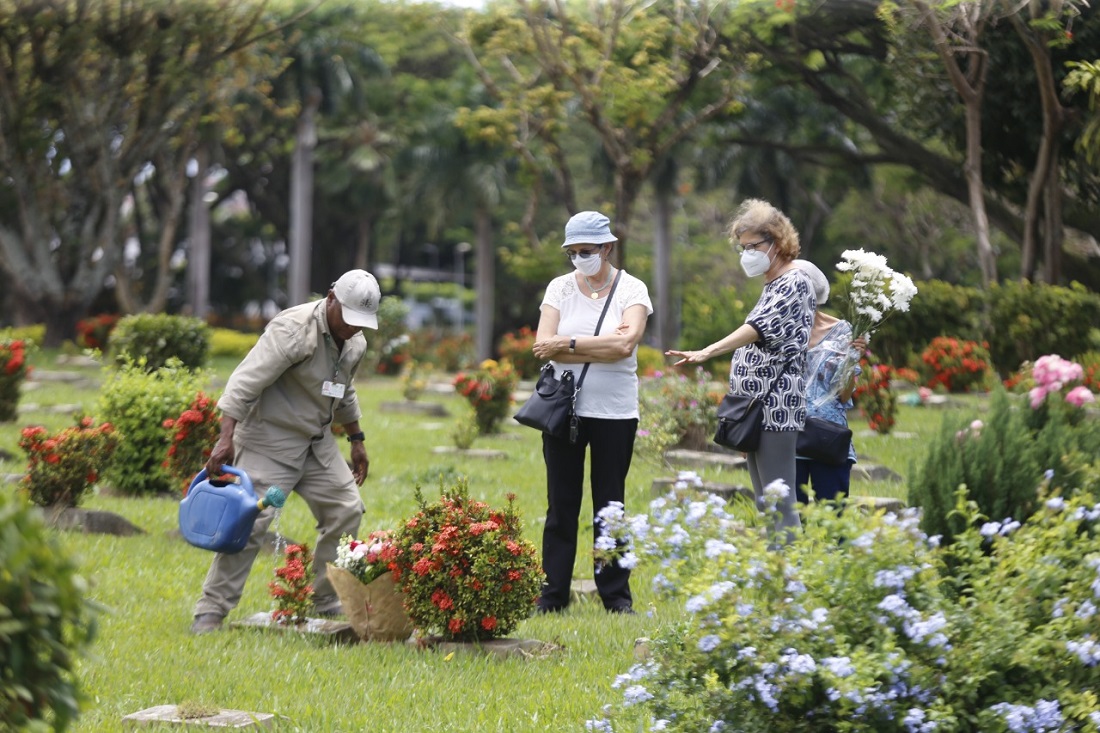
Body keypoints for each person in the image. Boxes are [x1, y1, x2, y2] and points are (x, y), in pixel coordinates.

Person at [189, 270, 379, 634]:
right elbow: (245, 381)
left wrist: (357, 439)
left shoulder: (355, 342)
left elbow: (344, 391)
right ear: (331, 298)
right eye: (350, 318)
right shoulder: (293, 330)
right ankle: (211, 610)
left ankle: (323, 595)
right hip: (268, 439)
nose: (354, 328)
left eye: (362, 323)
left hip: (316, 441)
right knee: (249, 522)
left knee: (346, 507)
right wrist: (225, 438)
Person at [666, 199, 814, 538]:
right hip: (755, 407)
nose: (746, 253)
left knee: (779, 499)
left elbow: (760, 328)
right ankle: (776, 577)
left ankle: (790, 581)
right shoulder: (773, 283)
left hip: (775, 406)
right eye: (742, 247)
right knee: (766, 501)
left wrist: (709, 351)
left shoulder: (794, 280)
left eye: (753, 246)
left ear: (776, 242)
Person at [531, 210, 652, 614]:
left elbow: (624, 346)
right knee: (560, 505)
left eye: (587, 250)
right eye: (573, 252)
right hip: (564, 410)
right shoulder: (560, 289)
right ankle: (552, 596)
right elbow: (541, 343)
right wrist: (594, 342)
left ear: (607, 248)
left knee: (610, 506)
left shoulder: (632, 290)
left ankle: (615, 596)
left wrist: (567, 343)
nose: (579, 258)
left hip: (615, 413)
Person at [790, 259, 867, 505]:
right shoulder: (778, 330)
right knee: (789, 522)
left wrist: (853, 359)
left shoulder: (843, 331)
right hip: (786, 433)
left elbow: (844, 396)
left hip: (828, 437)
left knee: (833, 519)